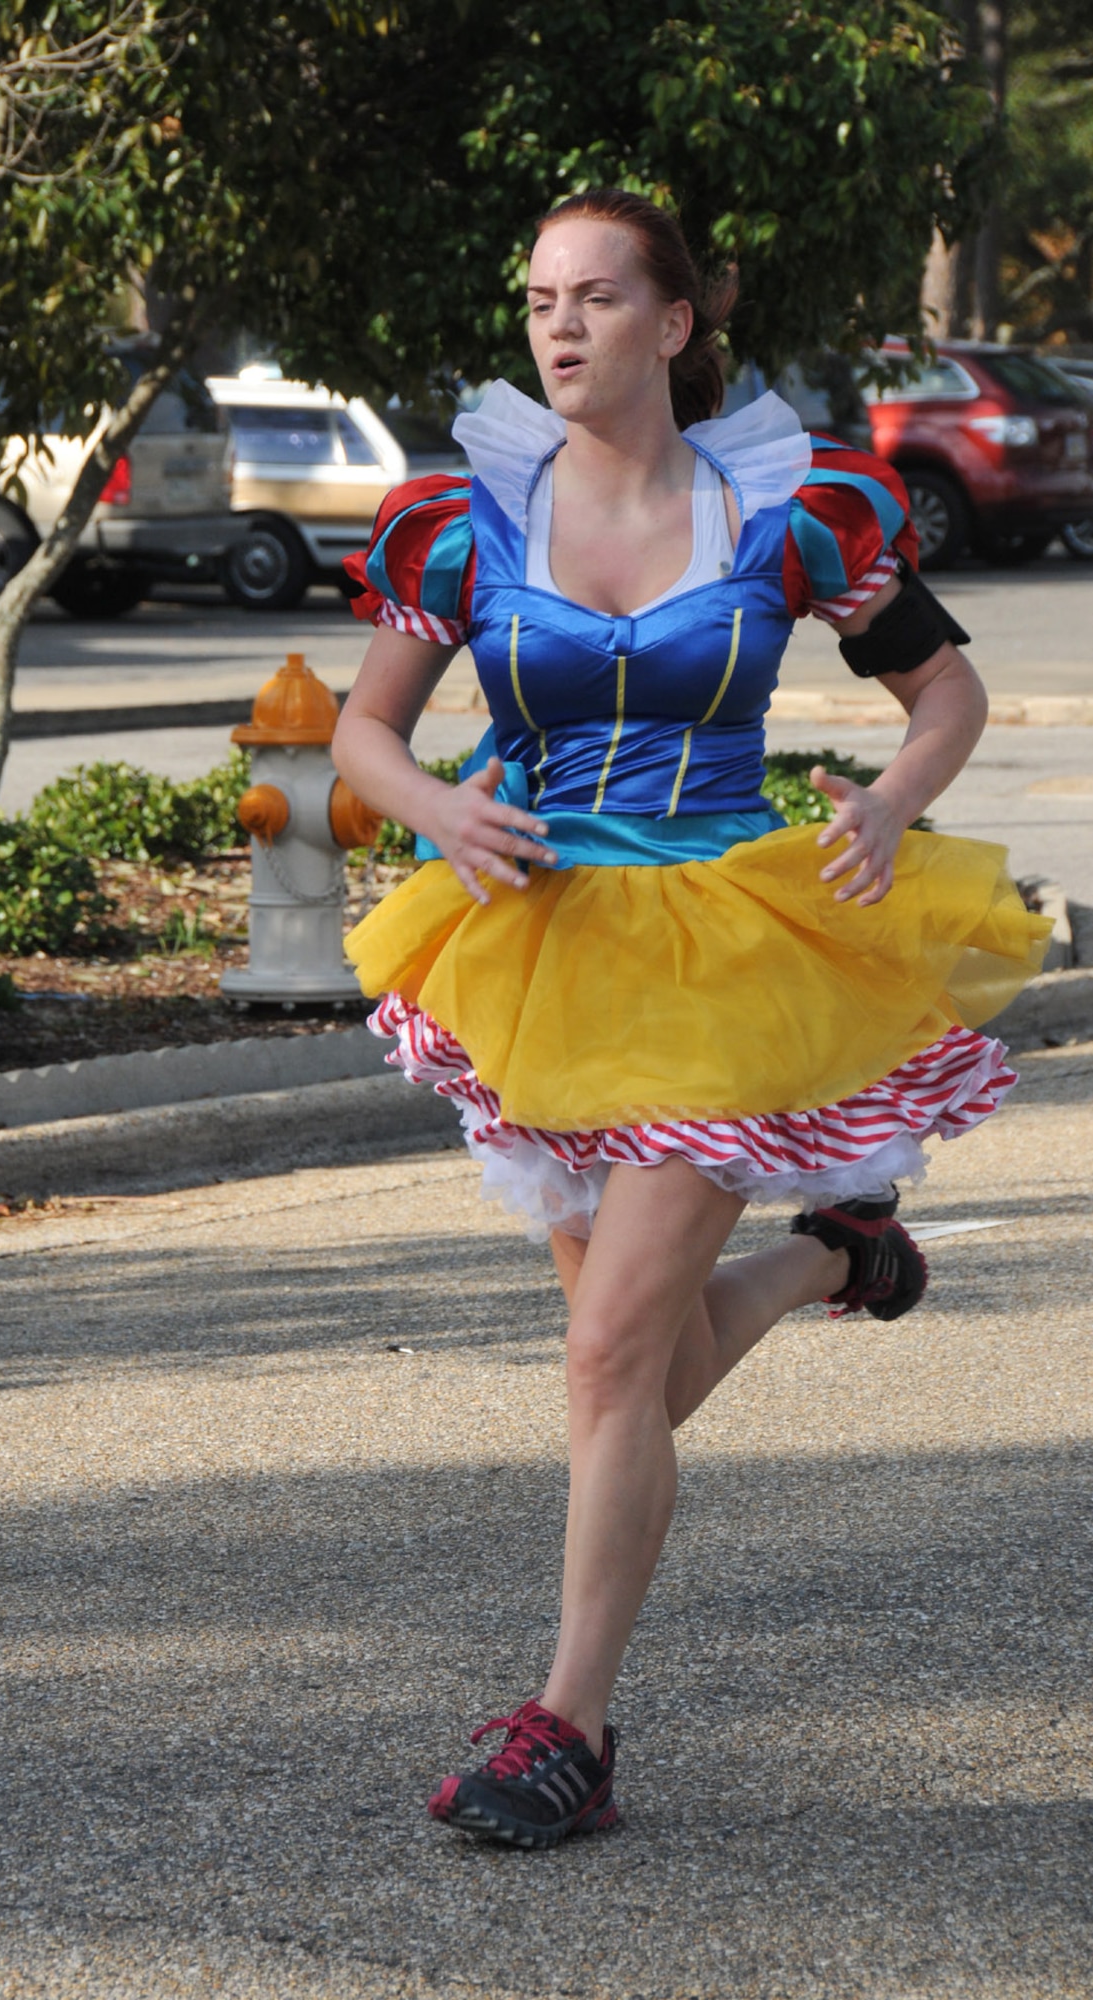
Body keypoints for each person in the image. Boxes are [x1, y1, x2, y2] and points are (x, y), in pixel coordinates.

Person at [331, 188, 1049, 1851]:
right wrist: (437, 805)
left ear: (675, 320)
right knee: (634, 1371)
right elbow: (363, 735)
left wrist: (889, 797)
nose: (559, 326)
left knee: (600, 1357)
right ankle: (826, 1258)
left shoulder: (786, 511)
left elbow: (941, 689)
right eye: (535, 300)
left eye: (594, 296)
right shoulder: (466, 522)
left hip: (725, 947)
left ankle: (565, 1726)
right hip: (537, 955)